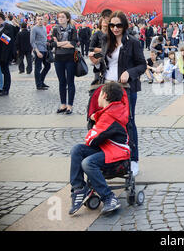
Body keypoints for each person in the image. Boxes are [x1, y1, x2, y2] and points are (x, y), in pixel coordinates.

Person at [89, 11, 146, 177]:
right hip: (107, 87)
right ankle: (111, 158)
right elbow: (104, 63)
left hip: (126, 88)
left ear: (125, 26)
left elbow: (142, 65)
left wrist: (129, 72)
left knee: (128, 122)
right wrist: (96, 61)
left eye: (118, 25)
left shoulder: (133, 42)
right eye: (112, 25)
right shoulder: (106, 40)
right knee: (106, 123)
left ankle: (133, 160)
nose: (115, 28)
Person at [69, 82, 130, 215]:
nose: (97, 98)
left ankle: (109, 197)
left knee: (87, 163)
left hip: (117, 153)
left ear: (104, 95)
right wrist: (95, 117)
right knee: (77, 150)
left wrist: (94, 123)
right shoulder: (113, 111)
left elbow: (91, 139)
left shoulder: (109, 116)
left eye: (99, 94)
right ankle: (79, 188)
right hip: (107, 149)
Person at [51, 11, 78, 114]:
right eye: (59, 17)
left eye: (63, 17)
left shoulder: (72, 29)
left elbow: (73, 44)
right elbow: (53, 44)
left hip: (70, 58)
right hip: (58, 58)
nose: (61, 18)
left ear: (67, 19)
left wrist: (59, 44)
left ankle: (69, 106)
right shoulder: (55, 29)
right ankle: (63, 104)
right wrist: (65, 43)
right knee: (61, 82)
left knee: (70, 82)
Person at [31, 15, 51, 90]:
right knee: (38, 68)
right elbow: (32, 42)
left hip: (45, 49)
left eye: (41, 19)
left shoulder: (44, 28)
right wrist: (37, 51)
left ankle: (41, 81)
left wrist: (47, 42)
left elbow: (44, 38)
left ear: (43, 20)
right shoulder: (34, 29)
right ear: (36, 20)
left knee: (47, 66)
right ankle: (38, 85)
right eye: (38, 19)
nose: (40, 20)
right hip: (38, 50)